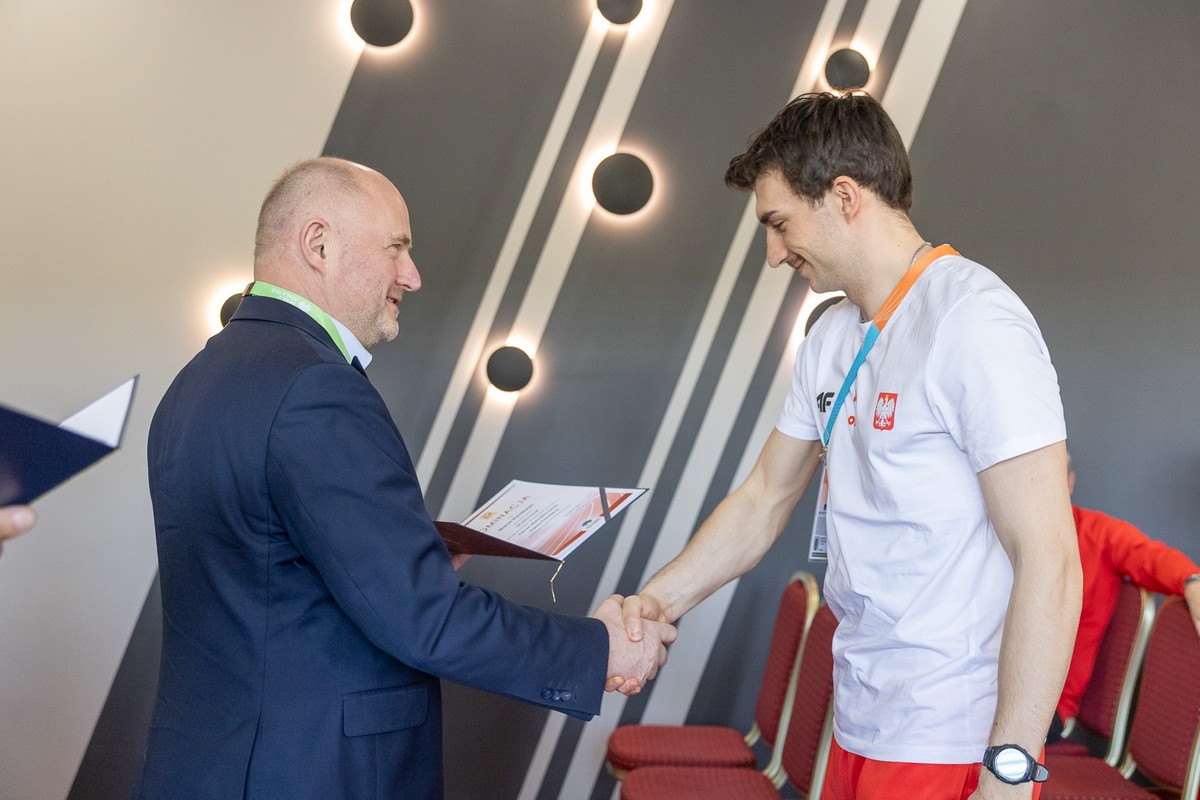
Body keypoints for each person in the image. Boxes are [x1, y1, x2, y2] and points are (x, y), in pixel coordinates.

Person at [134, 157, 677, 800]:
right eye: (396, 248)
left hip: (208, 764)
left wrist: (406, 551)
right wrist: (599, 651)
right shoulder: (317, 388)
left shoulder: (196, 380)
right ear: (318, 244)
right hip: (311, 772)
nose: (412, 276)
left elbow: (263, 569)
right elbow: (422, 617)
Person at [618, 92, 1081, 800]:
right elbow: (764, 499)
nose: (774, 254)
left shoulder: (974, 320)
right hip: (860, 718)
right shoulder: (830, 336)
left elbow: (1049, 556)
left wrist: (1012, 763)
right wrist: (654, 603)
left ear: (844, 196)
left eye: (779, 224)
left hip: (949, 734)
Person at [1051, 454, 1200, 736]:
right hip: (986, 689)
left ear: (1070, 482)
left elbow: (1152, 558)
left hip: (1046, 709)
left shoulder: (1098, 533)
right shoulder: (995, 534)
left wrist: (1193, 582)